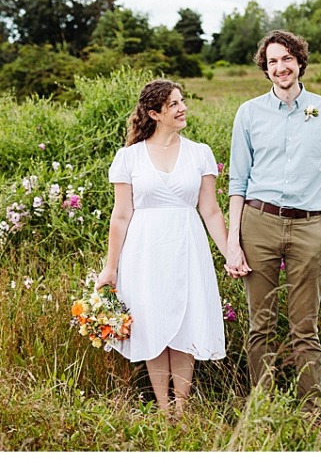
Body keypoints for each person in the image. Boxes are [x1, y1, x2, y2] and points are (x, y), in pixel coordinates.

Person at [98, 79, 251, 416]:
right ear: (155, 113)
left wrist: (231, 254)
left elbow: (210, 210)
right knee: (152, 323)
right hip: (144, 250)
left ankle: (182, 407)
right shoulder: (129, 158)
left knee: (186, 321)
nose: (183, 108)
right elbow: (121, 216)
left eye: (182, 101)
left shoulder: (200, 153)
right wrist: (111, 267)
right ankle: (163, 407)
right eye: (174, 104)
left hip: (187, 245)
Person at [227, 30, 321, 404]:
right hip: (258, 223)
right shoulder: (249, 113)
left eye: (287, 58)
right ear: (265, 67)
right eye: (273, 61)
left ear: (299, 61)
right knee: (260, 324)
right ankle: (263, 408)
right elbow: (238, 181)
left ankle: (312, 408)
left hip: (309, 225)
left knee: (305, 327)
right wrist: (233, 241)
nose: (281, 67)